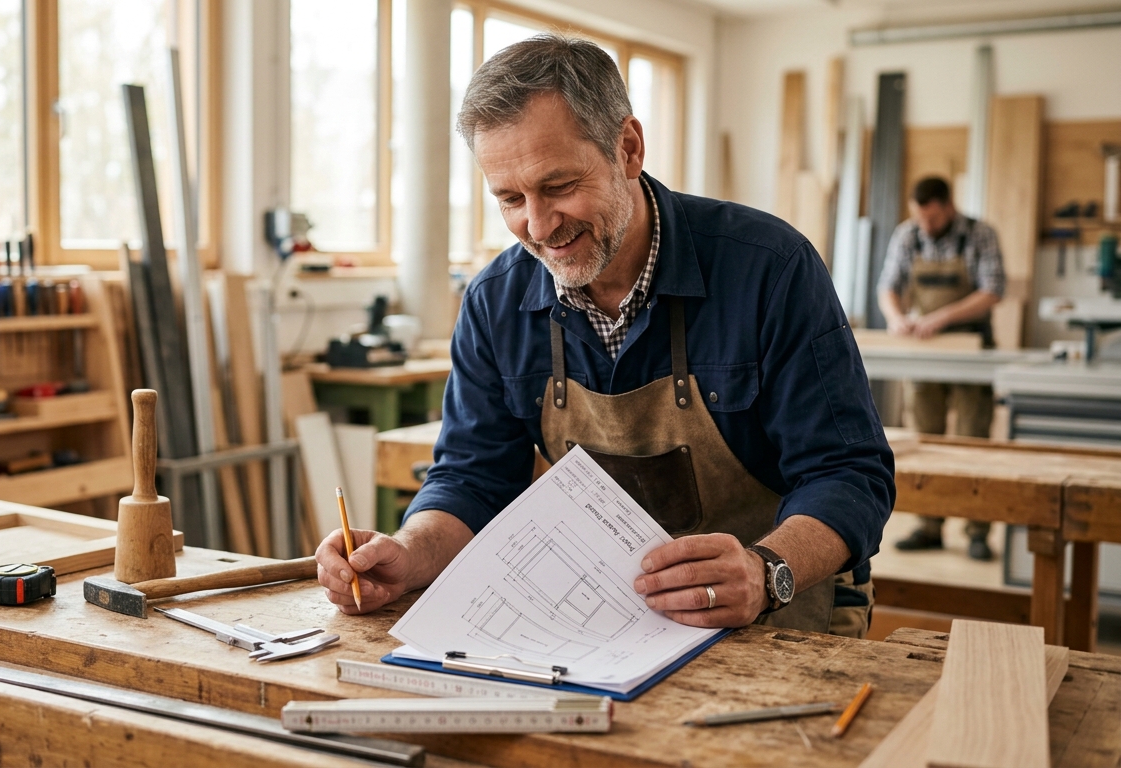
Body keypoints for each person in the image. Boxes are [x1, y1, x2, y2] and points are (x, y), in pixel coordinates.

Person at [315, 34, 894, 638]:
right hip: (608, 627)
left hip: (780, 617)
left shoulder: (769, 269)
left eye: (559, 186)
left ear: (628, 148)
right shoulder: (496, 302)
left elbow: (850, 474)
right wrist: (408, 555)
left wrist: (764, 570)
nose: (538, 226)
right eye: (510, 199)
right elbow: (471, 479)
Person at [877, 176, 1003, 562]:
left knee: (971, 443)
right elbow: (888, 286)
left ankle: (977, 530)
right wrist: (897, 317)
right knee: (924, 442)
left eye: (932, 219)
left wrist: (942, 317)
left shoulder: (979, 234)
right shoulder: (908, 235)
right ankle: (929, 526)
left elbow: (992, 290)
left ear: (948, 207)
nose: (926, 227)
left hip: (969, 349)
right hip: (925, 351)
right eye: (921, 219)